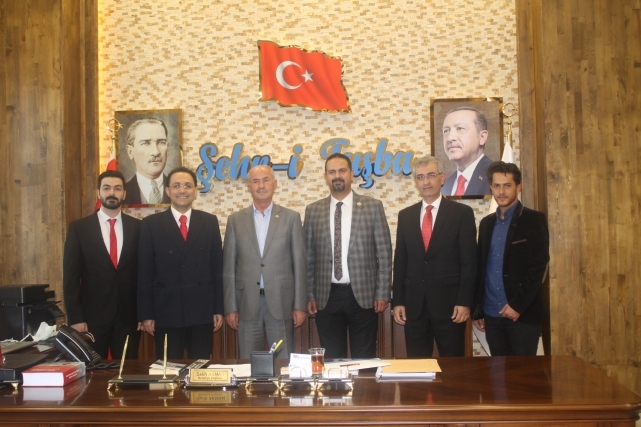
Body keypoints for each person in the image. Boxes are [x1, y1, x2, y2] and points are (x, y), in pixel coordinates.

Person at [304, 153, 392, 358]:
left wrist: (382, 293)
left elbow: (384, 254)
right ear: (325, 177)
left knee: (365, 358)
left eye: (342, 170)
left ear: (351, 174)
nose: (337, 175)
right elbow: (308, 258)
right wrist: (309, 294)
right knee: (333, 360)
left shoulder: (373, 207)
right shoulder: (313, 211)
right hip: (326, 297)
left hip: (363, 295)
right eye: (332, 172)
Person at [392, 155, 477, 357]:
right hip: (414, 306)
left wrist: (464, 301)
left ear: (443, 177)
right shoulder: (406, 215)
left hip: (450, 306)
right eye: (420, 177)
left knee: (453, 366)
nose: (426, 181)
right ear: (416, 182)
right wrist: (398, 301)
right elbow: (401, 261)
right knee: (417, 366)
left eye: (431, 175)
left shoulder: (461, 213)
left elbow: (469, 262)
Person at [137, 166, 224, 359]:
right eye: (176, 186)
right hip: (165, 312)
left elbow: (217, 269)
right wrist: (146, 314)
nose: (182, 190)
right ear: (167, 191)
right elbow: (145, 272)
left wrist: (218, 309)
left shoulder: (209, 222)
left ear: (195, 191)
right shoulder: (150, 225)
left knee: (201, 369)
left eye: (187, 186)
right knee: (168, 370)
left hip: (201, 311)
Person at [223, 165, 307, 359]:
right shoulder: (235, 220)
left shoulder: (291, 218)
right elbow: (229, 269)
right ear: (249, 187)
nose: (261, 185)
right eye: (255, 181)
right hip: (246, 304)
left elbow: (300, 265)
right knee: (248, 362)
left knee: (283, 362)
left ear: (274, 184)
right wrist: (230, 307)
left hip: (282, 303)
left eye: (266, 180)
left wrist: (299, 305)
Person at [473, 161, 550, 356]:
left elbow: (538, 268)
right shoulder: (486, 224)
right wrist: (478, 309)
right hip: (491, 314)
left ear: (518, 187)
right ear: (491, 187)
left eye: (507, 185)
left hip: (522, 315)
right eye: (496, 186)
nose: (501, 191)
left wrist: (517, 306)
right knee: (498, 371)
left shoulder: (533, 220)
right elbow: (481, 268)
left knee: (523, 373)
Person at [63, 170, 141, 359]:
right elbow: (71, 278)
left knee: (127, 370)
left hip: (129, 318)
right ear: (98, 193)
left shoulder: (138, 228)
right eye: (106, 188)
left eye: (117, 188)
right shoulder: (79, 229)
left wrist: (144, 313)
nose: (112, 193)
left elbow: (144, 274)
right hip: (92, 319)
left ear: (124, 194)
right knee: (93, 371)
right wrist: (76, 318)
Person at [441, 106, 493, 196]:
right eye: (446, 131)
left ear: (482, 137)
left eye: (460, 128)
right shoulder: (445, 185)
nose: (450, 138)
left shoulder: (496, 176)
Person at [124, 118, 170, 205]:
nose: (156, 152)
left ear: (168, 150)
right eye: (145, 143)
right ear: (130, 152)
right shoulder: (122, 192)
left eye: (161, 142)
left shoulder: (179, 192)